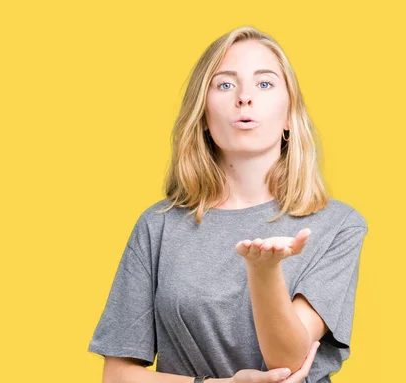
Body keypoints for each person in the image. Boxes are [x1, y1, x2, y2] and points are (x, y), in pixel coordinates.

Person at [87, 26, 369, 383]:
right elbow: (117, 376)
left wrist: (264, 271)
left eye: (264, 84)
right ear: (203, 116)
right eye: (225, 84)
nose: (244, 97)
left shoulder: (338, 224)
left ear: (288, 116)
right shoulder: (157, 226)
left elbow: (288, 362)